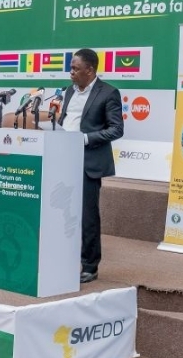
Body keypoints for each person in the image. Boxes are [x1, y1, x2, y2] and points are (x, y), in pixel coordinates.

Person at [58, 48, 124, 283]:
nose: (71, 72)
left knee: (87, 216)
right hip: (62, 159)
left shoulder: (108, 93)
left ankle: (89, 265)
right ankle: (61, 258)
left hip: (89, 162)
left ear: (90, 70)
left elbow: (116, 129)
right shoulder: (69, 91)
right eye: (71, 68)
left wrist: (85, 139)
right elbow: (67, 121)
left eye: (75, 68)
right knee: (60, 211)